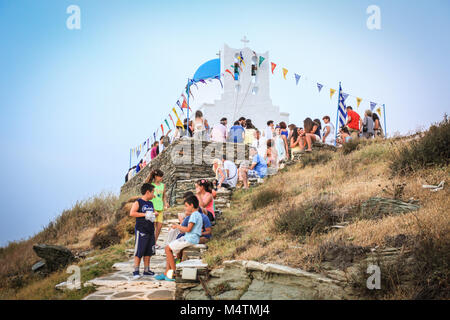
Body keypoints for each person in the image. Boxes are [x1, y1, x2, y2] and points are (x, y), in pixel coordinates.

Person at [155, 195, 203, 281]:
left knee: (167, 249)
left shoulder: (194, 215)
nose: (185, 208)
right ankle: (167, 273)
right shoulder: (198, 214)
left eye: (186, 206)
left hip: (190, 239)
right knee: (169, 248)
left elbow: (188, 229)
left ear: (191, 205)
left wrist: (177, 226)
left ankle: (174, 273)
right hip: (191, 238)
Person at [129, 183, 156, 279]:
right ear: (148, 192)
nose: (154, 194)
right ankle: (136, 270)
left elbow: (152, 212)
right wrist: (144, 214)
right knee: (139, 250)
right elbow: (132, 213)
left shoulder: (151, 203)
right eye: (153, 192)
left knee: (149, 251)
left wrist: (153, 214)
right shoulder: (138, 202)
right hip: (141, 230)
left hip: (150, 229)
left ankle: (147, 270)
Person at [146, 169, 169, 249]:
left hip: (160, 208)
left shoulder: (163, 185)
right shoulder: (151, 185)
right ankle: (150, 243)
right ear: (155, 176)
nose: (161, 178)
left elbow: (164, 196)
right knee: (152, 227)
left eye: (162, 177)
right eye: (160, 176)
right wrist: (153, 209)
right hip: (152, 208)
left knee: (159, 227)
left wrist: (165, 203)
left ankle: (154, 243)